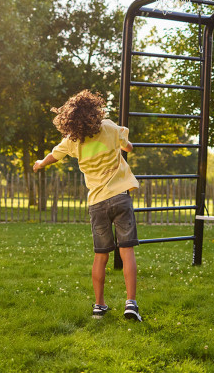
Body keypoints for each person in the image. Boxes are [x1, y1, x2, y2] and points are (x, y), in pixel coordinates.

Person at [33, 90, 142, 322]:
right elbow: (128, 146)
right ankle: (131, 303)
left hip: (97, 203)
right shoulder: (110, 128)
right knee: (127, 251)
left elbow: (53, 156)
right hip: (120, 197)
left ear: (70, 119)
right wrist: (125, 147)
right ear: (96, 110)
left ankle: (99, 305)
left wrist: (40, 164)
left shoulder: (73, 141)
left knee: (100, 256)